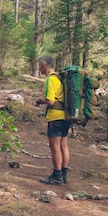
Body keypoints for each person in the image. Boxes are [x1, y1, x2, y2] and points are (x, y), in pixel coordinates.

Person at [34, 55, 70, 185]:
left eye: (40, 65)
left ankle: (57, 176)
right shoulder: (59, 79)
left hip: (55, 117)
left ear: (44, 65)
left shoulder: (50, 80)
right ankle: (64, 175)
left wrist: (39, 100)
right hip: (66, 117)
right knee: (63, 146)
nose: (39, 68)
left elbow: (50, 101)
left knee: (55, 147)